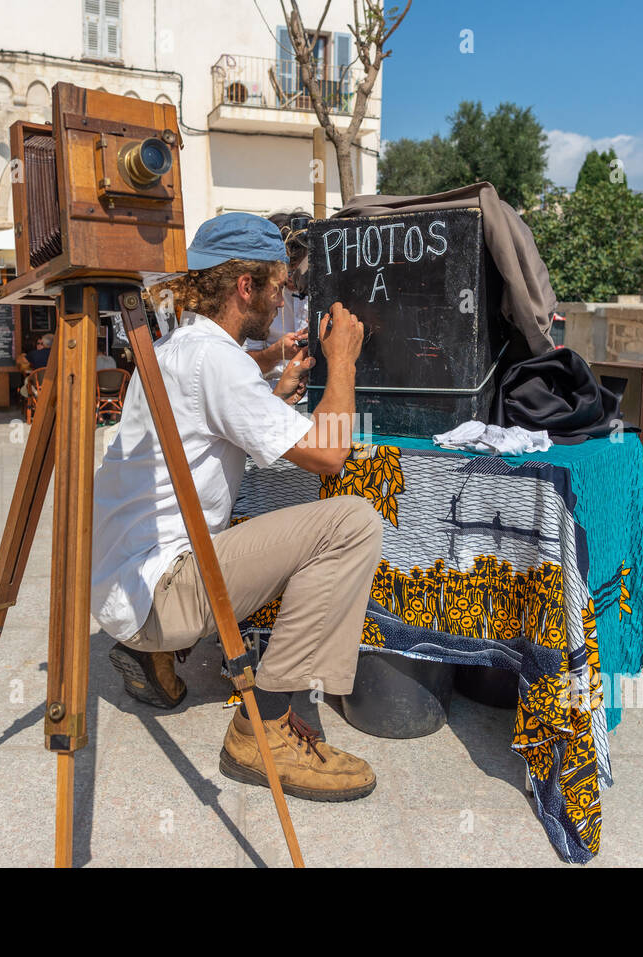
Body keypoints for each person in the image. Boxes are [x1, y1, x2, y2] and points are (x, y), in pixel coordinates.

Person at [93, 213, 380, 803]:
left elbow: (216, 397)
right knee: (352, 523)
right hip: (162, 591)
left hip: (125, 582)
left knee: (244, 511)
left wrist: (273, 369)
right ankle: (265, 725)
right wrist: (343, 357)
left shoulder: (173, 348)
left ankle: (154, 656)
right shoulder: (215, 362)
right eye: (278, 287)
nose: (283, 301)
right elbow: (329, 455)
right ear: (245, 286)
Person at [245, 210, 312, 383]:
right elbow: (243, 364)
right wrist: (275, 353)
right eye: (288, 271)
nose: (293, 278)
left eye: (300, 270)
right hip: (273, 392)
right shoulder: (256, 298)